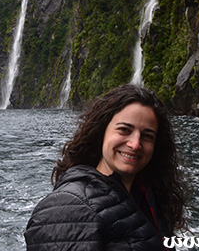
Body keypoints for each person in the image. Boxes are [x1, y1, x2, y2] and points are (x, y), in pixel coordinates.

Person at [24, 84, 187, 250]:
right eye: (124, 129)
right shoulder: (69, 207)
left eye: (147, 136)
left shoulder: (148, 197)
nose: (135, 144)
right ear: (101, 132)